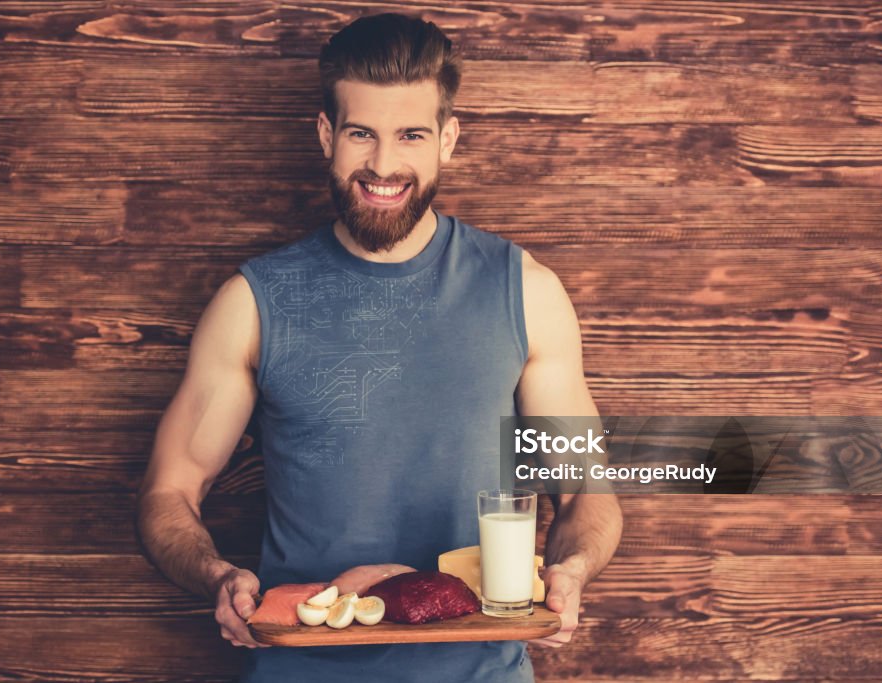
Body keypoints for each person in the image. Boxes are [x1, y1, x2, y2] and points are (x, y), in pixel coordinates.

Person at [136, 12, 623, 682]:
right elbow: (171, 490)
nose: (384, 165)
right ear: (326, 135)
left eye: (411, 135)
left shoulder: (528, 293)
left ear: (447, 140)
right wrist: (217, 576)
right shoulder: (251, 303)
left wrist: (571, 569)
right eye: (361, 133)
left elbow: (584, 489)